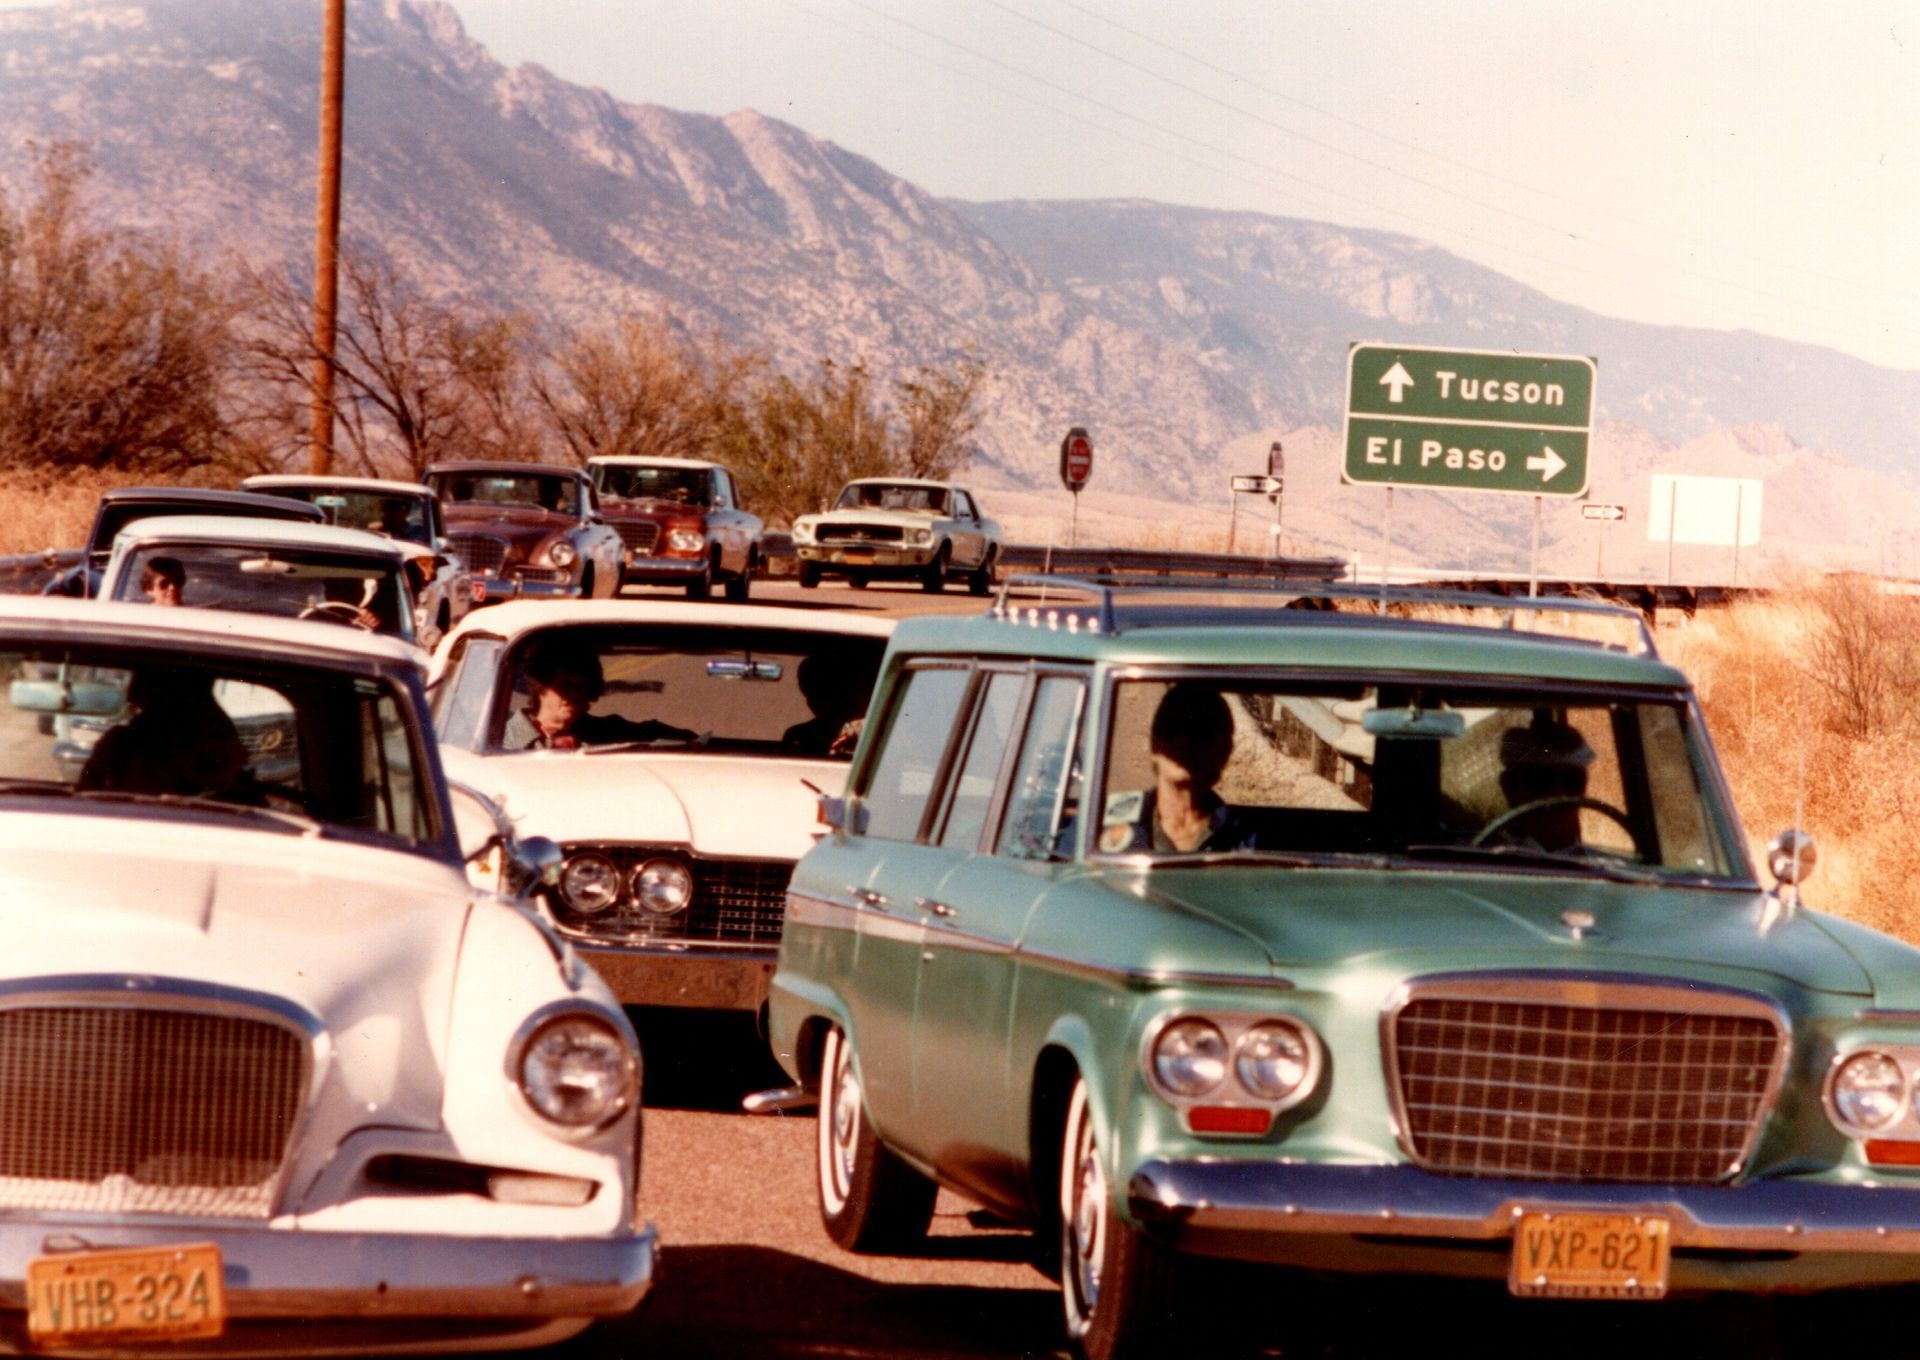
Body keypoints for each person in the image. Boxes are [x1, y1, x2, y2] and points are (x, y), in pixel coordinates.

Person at [1100, 684, 1257, 853]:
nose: (1183, 743)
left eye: (1199, 733)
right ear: (1154, 745)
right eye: (1171, 729)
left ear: (1224, 751)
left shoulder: (1244, 838)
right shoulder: (1104, 820)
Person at [79, 667, 247, 798]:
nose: (131, 691)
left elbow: (87, 786)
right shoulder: (125, 737)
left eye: (143, 679)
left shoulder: (214, 736)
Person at [502, 639, 697, 750]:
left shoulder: (605, 730)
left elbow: (656, 732)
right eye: (566, 684)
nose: (574, 693)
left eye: (582, 687)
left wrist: (695, 743)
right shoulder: (502, 739)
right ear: (541, 688)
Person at [1492, 713, 1596, 851]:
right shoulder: (1483, 861)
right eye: (1541, 780)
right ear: (1509, 787)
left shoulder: (1605, 866)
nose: (1558, 793)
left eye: (1572, 781)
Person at [782, 654, 865, 757]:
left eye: (823, 693)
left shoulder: (871, 730)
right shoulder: (799, 735)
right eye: (810, 694)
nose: (812, 702)